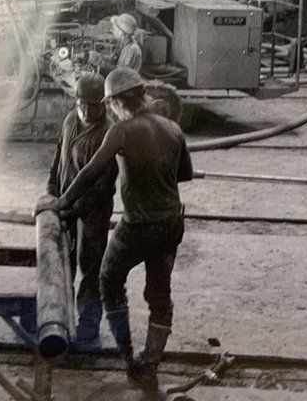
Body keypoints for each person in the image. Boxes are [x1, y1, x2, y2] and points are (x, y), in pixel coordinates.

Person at [36, 67, 193, 393]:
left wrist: (61, 202)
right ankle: (149, 365)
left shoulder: (119, 131)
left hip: (137, 226)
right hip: (171, 223)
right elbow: (183, 175)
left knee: (107, 279)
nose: (106, 110)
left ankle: (127, 356)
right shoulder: (173, 128)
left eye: (108, 104)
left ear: (117, 102)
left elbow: (91, 173)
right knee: (160, 296)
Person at [45, 73, 117, 345]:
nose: (87, 110)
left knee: (90, 266)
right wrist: (51, 189)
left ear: (104, 105)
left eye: (94, 105)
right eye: (82, 104)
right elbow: (58, 157)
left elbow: (103, 184)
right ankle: (59, 318)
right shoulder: (69, 121)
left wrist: (72, 208)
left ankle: (88, 322)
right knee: (63, 263)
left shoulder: (109, 132)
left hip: (92, 212)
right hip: (65, 205)